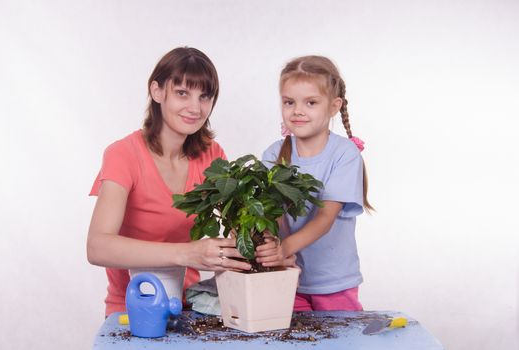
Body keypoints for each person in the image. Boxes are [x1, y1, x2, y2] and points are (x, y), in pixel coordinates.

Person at [87, 47, 251, 317]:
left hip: (192, 308)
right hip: (133, 310)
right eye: (182, 93)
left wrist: (268, 245)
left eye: (205, 96)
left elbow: (240, 224)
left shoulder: (212, 154)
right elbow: (97, 247)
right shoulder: (123, 155)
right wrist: (187, 253)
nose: (195, 108)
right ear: (157, 91)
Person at [256, 55, 373, 312]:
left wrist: (283, 248)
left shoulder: (344, 154)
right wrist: (272, 251)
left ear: (333, 106)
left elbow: (325, 217)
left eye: (311, 102)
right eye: (289, 102)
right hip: (287, 277)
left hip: (334, 282)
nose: (297, 110)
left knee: (340, 341)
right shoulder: (273, 155)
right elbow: (270, 214)